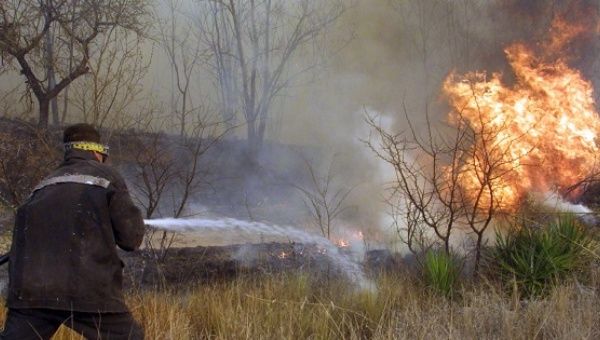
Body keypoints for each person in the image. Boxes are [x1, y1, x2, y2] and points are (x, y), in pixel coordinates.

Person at [0, 123, 145, 339]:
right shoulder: (106, 176)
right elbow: (131, 239)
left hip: (31, 293)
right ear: (98, 152)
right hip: (87, 290)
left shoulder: (44, 184)